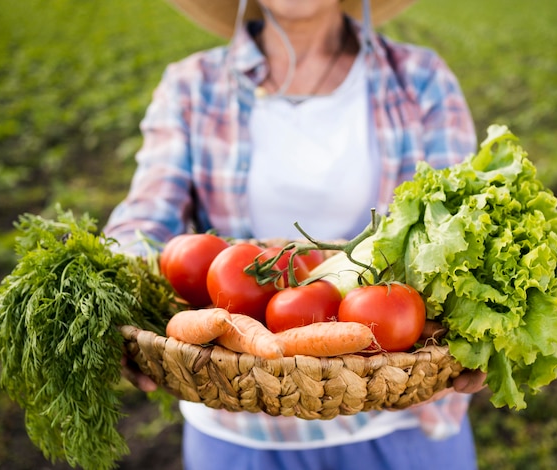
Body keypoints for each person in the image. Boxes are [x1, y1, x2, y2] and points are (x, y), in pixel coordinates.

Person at [104, 0, 487, 468]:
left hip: (406, 425)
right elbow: (145, 219)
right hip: (236, 426)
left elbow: (463, 228)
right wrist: (111, 297)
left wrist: (483, 324)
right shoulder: (191, 86)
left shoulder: (420, 79)